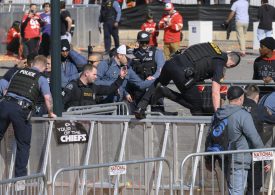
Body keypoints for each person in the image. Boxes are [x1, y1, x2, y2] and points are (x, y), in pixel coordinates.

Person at [134, 42, 241, 119]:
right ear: (232, 64)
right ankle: (165, 92)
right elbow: (215, 92)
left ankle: (140, 107)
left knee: (158, 82)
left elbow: (197, 55)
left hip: (172, 62)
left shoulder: (212, 46)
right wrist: (218, 113)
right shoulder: (220, 63)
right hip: (183, 72)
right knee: (197, 105)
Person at [0, 55, 56, 177]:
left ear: (32, 64)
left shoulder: (17, 72)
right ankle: (20, 180)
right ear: (45, 66)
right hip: (21, 109)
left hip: (5, 105)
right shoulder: (41, 78)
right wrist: (51, 113)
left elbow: (6, 89)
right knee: (23, 145)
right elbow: (47, 98)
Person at [212, 86, 267, 195]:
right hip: (239, 160)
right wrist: (266, 158)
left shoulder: (218, 114)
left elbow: (211, 136)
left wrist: (209, 159)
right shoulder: (243, 115)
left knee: (233, 190)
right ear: (241, 98)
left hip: (223, 158)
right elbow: (255, 138)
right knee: (237, 191)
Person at [244, 84, 275, 195]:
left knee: (235, 186)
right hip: (255, 152)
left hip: (236, 151)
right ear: (257, 97)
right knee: (254, 186)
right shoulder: (260, 109)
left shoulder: (236, 108)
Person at [62, 64, 127, 110]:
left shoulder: (93, 87)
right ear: (87, 74)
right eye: (94, 74)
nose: (96, 77)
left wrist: (121, 78)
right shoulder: (73, 86)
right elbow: (61, 103)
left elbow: (109, 89)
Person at [128, 31, 165, 112]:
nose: (144, 44)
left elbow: (161, 70)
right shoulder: (132, 53)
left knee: (158, 114)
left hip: (153, 86)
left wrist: (153, 78)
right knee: (135, 113)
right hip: (137, 88)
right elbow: (127, 69)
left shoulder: (157, 52)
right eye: (142, 42)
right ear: (138, 42)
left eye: (146, 42)